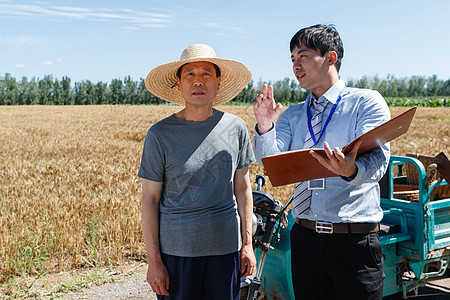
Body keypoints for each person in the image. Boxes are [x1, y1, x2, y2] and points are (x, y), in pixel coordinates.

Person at [252, 25, 390, 299]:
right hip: (304, 239)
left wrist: (350, 170)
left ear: (331, 57)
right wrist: (265, 125)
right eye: (292, 59)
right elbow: (271, 163)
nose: (296, 65)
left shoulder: (366, 103)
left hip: (354, 241)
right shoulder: (293, 114)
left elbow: (379, 162)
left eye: (303, 56)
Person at [138, 44, 256, 300]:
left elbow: (243, 189)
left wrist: (247, 244)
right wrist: (154, 261)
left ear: (218, 81)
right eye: (190, 74)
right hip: (176, 256)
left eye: (206, 74)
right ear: (178, 83)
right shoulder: (160, 134)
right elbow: (150, 199)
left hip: (225, 253)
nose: (197, 81)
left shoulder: (236, 128)